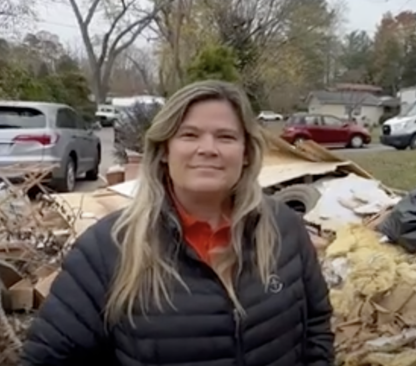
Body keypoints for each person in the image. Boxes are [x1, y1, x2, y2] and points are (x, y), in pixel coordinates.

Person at [21, 81, 334, 366]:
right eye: (189, 135)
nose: (208, 148)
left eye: (225, 137)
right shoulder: (107, 249)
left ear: (247, 153)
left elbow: (316, 326)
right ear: (165, 151)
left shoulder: (285, 230)